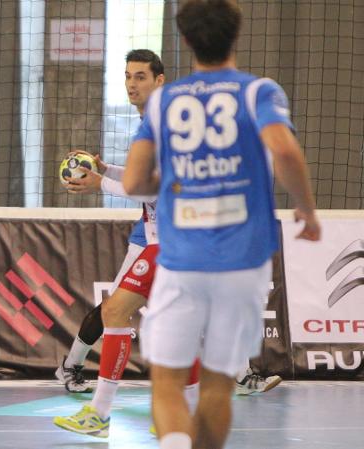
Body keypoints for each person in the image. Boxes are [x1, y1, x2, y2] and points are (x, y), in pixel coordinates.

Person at [123, 2, 321, 448]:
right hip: (243, 262)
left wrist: (176, 176)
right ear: (236, 37)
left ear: (187, 41)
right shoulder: (258, 92)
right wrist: (306, 209)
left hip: (181, 261)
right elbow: (285, 152)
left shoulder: (165, 101)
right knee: (216, 383)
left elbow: (135, 180)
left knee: (168, 384)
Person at [53, 49, 201, 439]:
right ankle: (179, 413)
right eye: (128, 76)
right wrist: (107, 170)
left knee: (118, 312)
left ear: (160, 81)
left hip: (171, 240)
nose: (132, 84)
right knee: (163, 326)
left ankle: (100, 414)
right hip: (168, 240)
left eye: (140, 77)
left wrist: (99, 184)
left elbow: (150, 187)